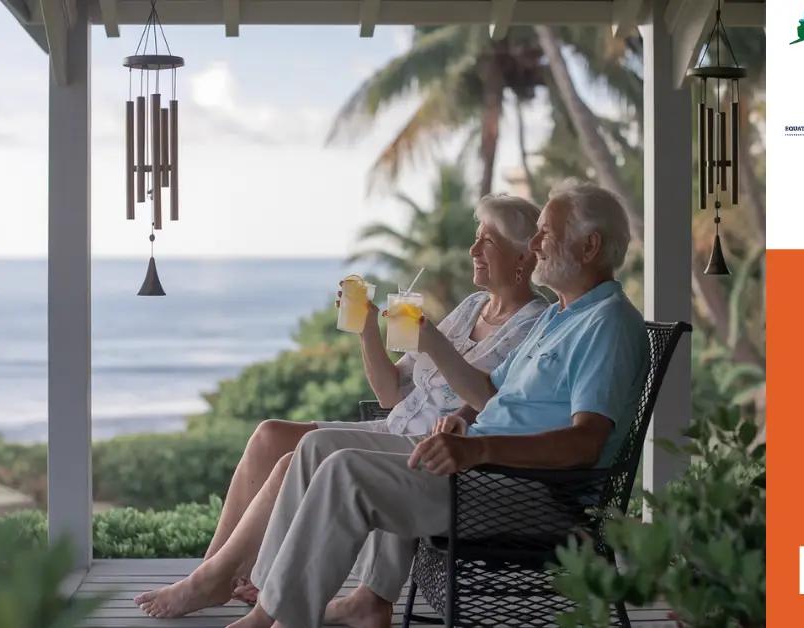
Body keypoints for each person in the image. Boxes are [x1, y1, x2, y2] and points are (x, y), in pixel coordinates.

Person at [227, 180, 649, 628]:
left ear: (590, 246)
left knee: (344, 469)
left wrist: (479, 450)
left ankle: (277, 619)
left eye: (547, 233)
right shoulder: (559, 316)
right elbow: (493, 391)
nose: (537, 244)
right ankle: (271, 606)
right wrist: (460, 421)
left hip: (530, 491)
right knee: (318, 448)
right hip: (481, 467)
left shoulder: (608, 326)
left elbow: (585, 443)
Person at [134, 194, 549, 619]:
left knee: (292, 462)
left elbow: (495, 405)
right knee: (269, 435)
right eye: (475, 238)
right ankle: (213, 571)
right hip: (397, 424)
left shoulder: (536, 325)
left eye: (487, 241)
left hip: (428, 443)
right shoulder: (470, 309)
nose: (473, 250)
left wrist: (436, 346)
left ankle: (232, 584)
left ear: (521, 257)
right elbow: (391, 395)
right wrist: (367, 328)